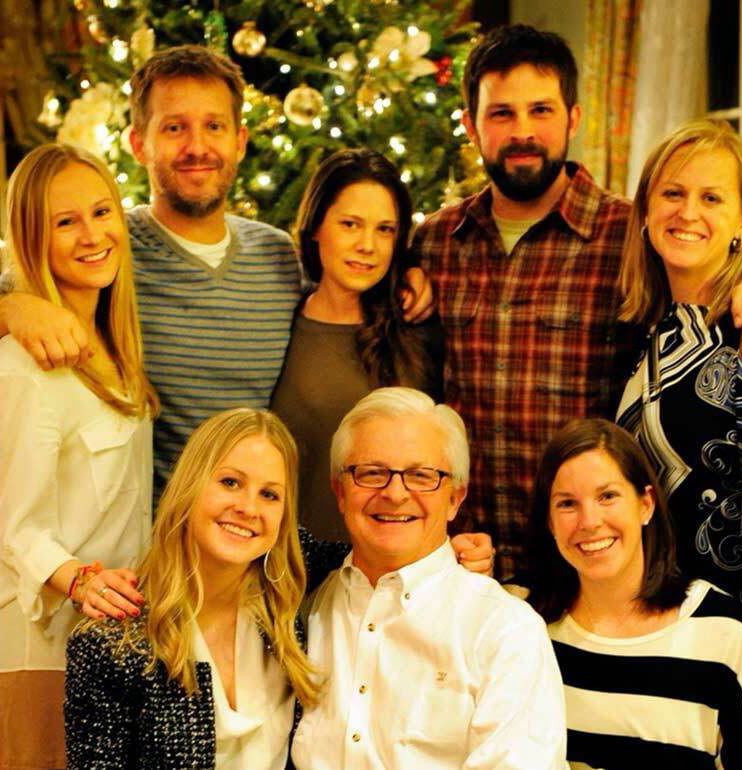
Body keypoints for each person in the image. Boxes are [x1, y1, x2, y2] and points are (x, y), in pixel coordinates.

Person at [410, 24, 742, 581]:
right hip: (461, 565)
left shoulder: (627, 234)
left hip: (586, 570)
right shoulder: (433, 242)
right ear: (471, 125)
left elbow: (714, 265)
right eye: (501, 113)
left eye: (541, 111)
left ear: (573, 119)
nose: (522, 131)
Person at [0, 45, 432, 498]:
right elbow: (27, 270)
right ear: (138, 143)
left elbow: (340, 291)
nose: (197, 147)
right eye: (174, 128)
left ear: (240, 141)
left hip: (255, 532)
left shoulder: (277, 255)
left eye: (214, 127)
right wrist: (15, 308)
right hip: (145, 540)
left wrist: (406, 273)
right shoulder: (108, 248)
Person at [615, 118, 742, 764]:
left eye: (710, 198)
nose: (687, 212)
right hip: (667, 642)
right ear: (645, 209)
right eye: (671, 194)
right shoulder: (650, 335)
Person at [291, 387, 566, 769]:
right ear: (340, 492)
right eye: (372, 473)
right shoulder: (304, 610)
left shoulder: (503, 630)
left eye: (422, 476)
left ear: (455, 498)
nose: (395, 493)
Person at [0, 143, 158, 769]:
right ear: (34, 238)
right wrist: (82, 582)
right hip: (40, 650)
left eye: (102, 212)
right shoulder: (24, 367)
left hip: (109, 646)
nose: (93, 235)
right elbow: (14, 527)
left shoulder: (114, 350)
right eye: (66, 222)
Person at [65, 408, 323, 769]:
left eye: (269, 495)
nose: (248, 507)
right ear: (190, 485)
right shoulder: (112, 643)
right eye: (230, 482)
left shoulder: (283, 622)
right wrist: (79, 580)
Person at [528, 418, 742, 769]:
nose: (589, 521)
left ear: (645, 504)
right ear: (549, 523)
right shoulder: (529, 629)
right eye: (567, 503)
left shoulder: (722, 633)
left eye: (608, 496)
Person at [271, 149, 443, 542]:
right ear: (316, 226)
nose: (368, 245)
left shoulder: (418, 328)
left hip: (393, 571)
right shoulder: (278, 317)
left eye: (385, 229)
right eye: (350, 224)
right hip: (289, 567)